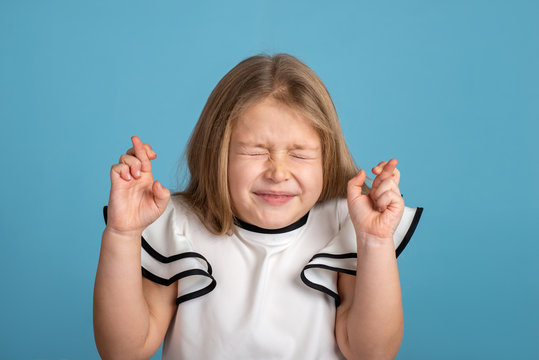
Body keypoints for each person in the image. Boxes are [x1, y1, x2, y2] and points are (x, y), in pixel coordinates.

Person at [93, 54, 423, 360]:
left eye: (299, 154)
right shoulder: (178, 227)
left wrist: (376, 243)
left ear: (327, 158)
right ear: (217, 153)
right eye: (255, 152)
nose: (278, 172)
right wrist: (122, 234)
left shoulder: (343, 225)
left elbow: (372, 352)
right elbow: (124, 351)